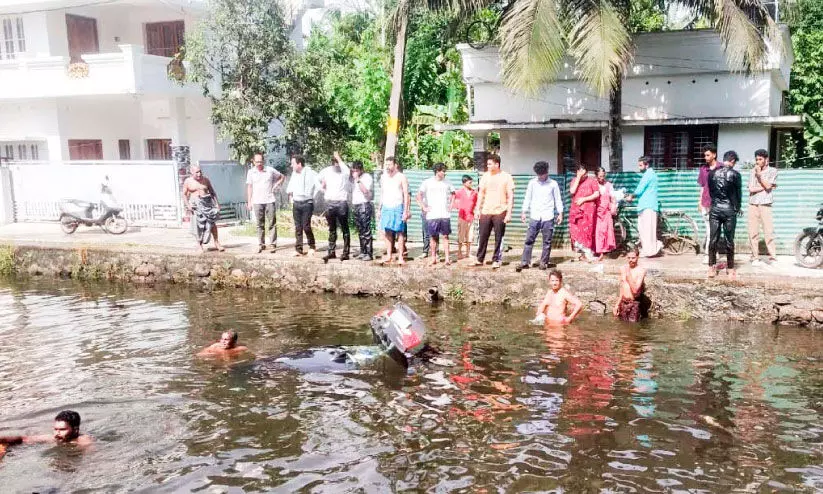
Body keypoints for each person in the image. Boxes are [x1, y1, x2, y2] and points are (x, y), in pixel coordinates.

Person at [517, 161, 563, 272]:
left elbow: (558, 199)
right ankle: (525, 262)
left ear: (547, 172)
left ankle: (543, 262)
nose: (541, 176)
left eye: (543, 174)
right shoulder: (532, 183)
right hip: (535, 215)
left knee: (547, 241)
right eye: (539, 174)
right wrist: (524, 211)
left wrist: (560, 213)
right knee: (529, 240)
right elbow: (528, 197)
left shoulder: (553, 184)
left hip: (548, 216)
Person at [472, 155, 514, 269]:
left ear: (497, 164)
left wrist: (509, 213)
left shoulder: (506, 177)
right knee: (483, 235)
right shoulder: (485, 176)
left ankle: (496, 259)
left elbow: (510, 196)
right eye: (488, 164)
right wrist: (477, 209)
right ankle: (479, 258)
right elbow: (480, 194)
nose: (488, 166)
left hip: (500, 210)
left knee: (499, 237)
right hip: (486, 210)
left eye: (490, 164)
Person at [0, 411, 92, 460]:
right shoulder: (53, 437)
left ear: (76, 429)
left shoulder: (83, 441)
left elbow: (92, 458)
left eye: (62, 430)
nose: (57, 433)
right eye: (55, 429)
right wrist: (2, 440)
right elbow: (24, 439)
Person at [708, 150, 743, 279]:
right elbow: (738, 195)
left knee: (713, 239)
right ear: (733, 161)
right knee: (729, 240)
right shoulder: (736, 175)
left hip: (715, 209)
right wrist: (737, 207)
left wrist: (716, 204)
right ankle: (730, 268)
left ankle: (711, 268)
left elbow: (711, 193)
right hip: (729, 210)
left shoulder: (711, 174)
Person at [416, 162, 456, 265]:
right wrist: (423, 207)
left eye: (445, 171)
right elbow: (419, 195)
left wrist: (451, 205)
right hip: (432, 214)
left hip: (444, 214)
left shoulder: (448, 182)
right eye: (442, 171)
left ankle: (447, 259)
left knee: (446, 236)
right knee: (433, 237)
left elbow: (453, 194)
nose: (444, 173)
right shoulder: (427, 182)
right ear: (437, 171)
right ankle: (433, 258)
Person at [246, 152, 285, 253]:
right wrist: (249, 201)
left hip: (269, 200)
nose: (259, 163)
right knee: (260, 224)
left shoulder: (270, 170)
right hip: (257, 201)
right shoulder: (251, 172)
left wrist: (276, 185)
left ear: (263, 161)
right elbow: (249, 187)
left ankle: (272, 244)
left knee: (272, 223)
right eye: (257, 162)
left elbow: (282, 177)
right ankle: (261, 244)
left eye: (261, 161)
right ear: (253, 162)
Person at [318, 151, 352, 263]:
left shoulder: (344, 172)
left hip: (341, 202)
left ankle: (345, 252)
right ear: (332, 164)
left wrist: (339, 157)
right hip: (330, 202)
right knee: (332, 229)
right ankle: (331, 252)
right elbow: (317, 180)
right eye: (335, 163)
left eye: (338, 163)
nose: (336, 165)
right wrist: (322, 189)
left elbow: (347, 170)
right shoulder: (327, 171)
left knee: (344, 228)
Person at [183, 163, 224, 253]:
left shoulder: (205, 180)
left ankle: (217, 242)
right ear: (192, 172)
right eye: (197, 172)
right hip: (196, 206)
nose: (199, 174)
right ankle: (199, 245)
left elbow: (212, 192)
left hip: (207, 204)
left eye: (200, 172)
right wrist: (188, 205)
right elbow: (184, 195)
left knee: (212, 224)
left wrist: (217, 204)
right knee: (197, 226)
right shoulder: (188, 181)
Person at [625, 156, 661, 258]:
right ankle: (649, 250)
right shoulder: (651, 174)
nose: (639, 168)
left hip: (647, 206)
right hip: (647, 205)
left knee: (646, 230)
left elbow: (639, 189)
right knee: (646, 230)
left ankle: (649, 252)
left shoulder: (648, 175)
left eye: (641, 165)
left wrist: (631, 195)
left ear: (647, 165)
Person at [747, 149, 778, 266]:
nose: (758, 162)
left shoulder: (773, 171)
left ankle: (773, 257)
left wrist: (760, 177)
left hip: (765, 204)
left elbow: (768, 185)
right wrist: (767, 187)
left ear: (766, 160)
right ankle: (755, 257)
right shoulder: (752, 171)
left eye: (760, 159)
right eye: (756, 159)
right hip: (753, 204)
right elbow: (751, 189)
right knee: (753, 232)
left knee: (768, 231)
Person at [378, 156, 410, 265]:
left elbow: (406, 194)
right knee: (387, 232)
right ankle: (389, 256)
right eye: (386, 165)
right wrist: (379, 209)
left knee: (400, 233)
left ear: (395, 165)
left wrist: (406, 210)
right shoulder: (383, 177)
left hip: (398, 206)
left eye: (389, 164)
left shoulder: (401, 177)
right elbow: (382, 193)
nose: (387, 167)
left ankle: (400, 257)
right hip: (386, 207)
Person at [286, 155, 318, 257]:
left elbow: (319, 184)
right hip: (297, 203)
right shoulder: (294, 174)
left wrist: (313, 196)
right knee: (298, 227)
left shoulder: (310, 173)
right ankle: (298, 249)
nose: (291, 166)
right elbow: (290, 187)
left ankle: (312, 246)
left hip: (307, 203)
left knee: (306, 226)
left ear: (299, 164)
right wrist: (291, 199)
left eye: (293, 163)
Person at [568, 164, 599, 262]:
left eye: (584, 173)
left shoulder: (592, 181)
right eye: (581, 172)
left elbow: (596, 194)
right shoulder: (574, 180)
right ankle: (580, 253)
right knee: (575, 229)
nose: (583, 175)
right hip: (576, 210)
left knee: (587, 231)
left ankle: (588, 252)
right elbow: (572, 191)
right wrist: (578, 178)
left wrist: (584, 199)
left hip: (588, 210)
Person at [612, 247, 649, 322]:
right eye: (628, 258)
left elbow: (635, 290)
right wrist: (617, 304)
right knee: (622, 329)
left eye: (633, 258)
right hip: (623, 303)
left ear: (638, 257)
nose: (630, 260)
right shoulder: (623, 268)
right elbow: (622, 287)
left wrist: (628, 274)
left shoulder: (641, 271)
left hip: (633, 304)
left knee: (632, 331)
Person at [698, 144, 720, 261]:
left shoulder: (721, 168)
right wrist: (699, 201)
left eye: (708, 155)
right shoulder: (703, 169)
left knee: (715, 229)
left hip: (718, 203)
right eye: (704, 155)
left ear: (714, 155)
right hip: (706, 202)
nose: (705, 157)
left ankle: (712, 252)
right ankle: (709, 253)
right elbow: (702, 186)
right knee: (709, 229)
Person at [351, 161, 374, 261]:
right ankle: (363, 251)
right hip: (356, 205)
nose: (355, 172)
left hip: (364, 205)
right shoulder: (353, 178)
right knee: (360, 230)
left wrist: (357, 179)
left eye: (357, 170)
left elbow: (365, 191)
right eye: (353, 170)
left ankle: (369, 253)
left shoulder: (366, 177)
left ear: (361, 170)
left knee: (366, 230)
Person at [594, 167, 617, 261]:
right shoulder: (594, 184)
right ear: (596, 176)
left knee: (606, 231)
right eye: (599, 176)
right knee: (599, 232)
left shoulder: (609, 185)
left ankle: (605, 250)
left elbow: (613, 197)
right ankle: (600, 252)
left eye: (603, 176)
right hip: (597, 212)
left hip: (606, 211)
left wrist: (613, 206)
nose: (601, 178)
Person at [453, 175, 478, 260]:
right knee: (461, 235)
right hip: (462, 217)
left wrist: (477, 211)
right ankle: (459, 252)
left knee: (470, 236)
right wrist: (457, 206)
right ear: (464, 183)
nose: (471, 184)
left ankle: (468, 253)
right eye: (469, 182)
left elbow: (477, 203)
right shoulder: (459, 192)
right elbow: (453, 198)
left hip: (470, 217)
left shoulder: (474, 192)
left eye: (471, 182)